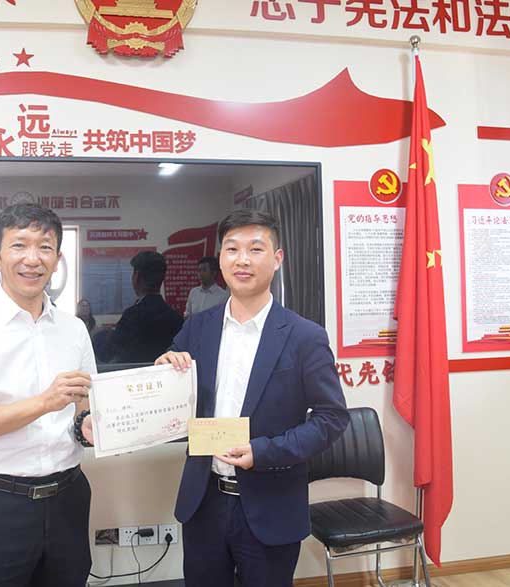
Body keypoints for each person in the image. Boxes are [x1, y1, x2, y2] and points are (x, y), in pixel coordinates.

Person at [156, 209, 348, 587]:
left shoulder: (304, 336)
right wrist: (164, 369)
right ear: (221, 259)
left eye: (255, 249)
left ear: (277, 259)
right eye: (232, 249)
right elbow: (174, 396)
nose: (242, 260)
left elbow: (331, 418)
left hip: (271, 504)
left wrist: (264, 452)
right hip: (204, 501)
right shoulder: (197, 327)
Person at [0, 203, 96, 587]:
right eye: (19, 245)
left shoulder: (74, 329)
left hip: (68, 497)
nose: (32, 258)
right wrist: (44, 402)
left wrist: (87, 425)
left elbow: (84, 403)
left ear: (57, 259)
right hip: (0, 505)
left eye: (44, 247)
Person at [98, 250, 183, 363]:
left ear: (137, 277)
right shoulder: (176, 318)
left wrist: (104, 335)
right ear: (162, 279)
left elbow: (106, 354)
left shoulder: (131, 316)